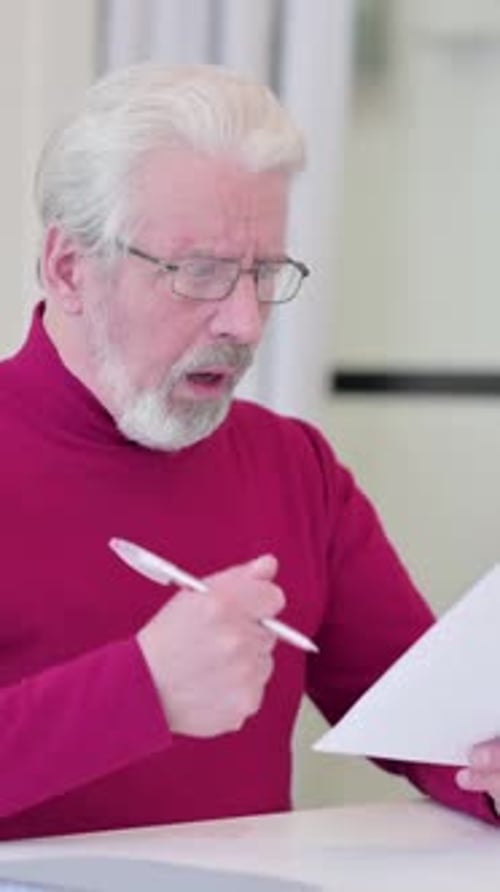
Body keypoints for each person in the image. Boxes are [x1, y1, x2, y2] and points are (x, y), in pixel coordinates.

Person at [0, 61, 499, 841]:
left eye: (264, 274)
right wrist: (139, 691)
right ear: (70, 269)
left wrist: (487, 766)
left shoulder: (293, 467)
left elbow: (429, 725)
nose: (244, 321)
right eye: (200, 273)